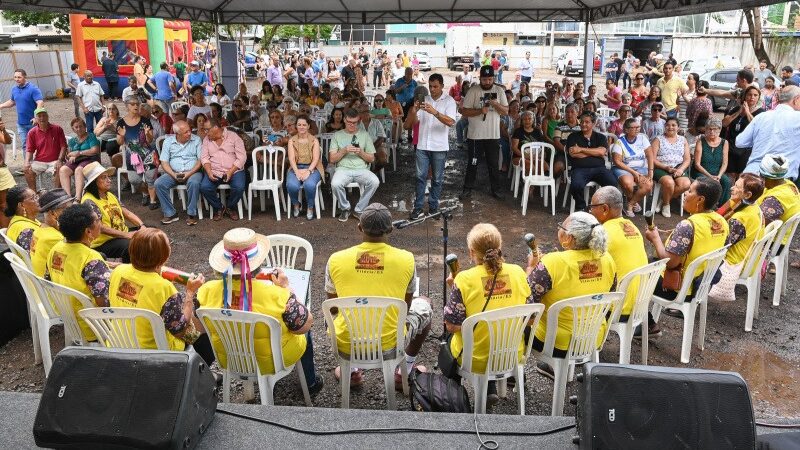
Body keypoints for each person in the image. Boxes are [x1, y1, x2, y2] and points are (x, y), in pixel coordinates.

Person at [199, 228, 323, 392]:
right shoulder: (277, 294)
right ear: (258, 263)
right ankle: (310, 383)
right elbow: (305, 325)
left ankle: (249, 392)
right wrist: (287, 288)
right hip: (271, 361)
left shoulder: (206, 291)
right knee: (304, 332)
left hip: (229, 359)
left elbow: (199, 329)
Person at [326, 203, 431, 387]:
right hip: (389, 345)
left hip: (346, 344)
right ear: (390, 229)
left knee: (335, 317)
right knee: (425, 303)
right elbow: (404, 308)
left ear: (359, 227)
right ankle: (402, 370)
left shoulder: (336, 259)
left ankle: (350, 371)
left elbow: (333, 307)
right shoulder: (406, 259)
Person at [442, 222, 531, 406]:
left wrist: (454, 289)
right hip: (512, 354)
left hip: (477, 359)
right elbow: (529, 318)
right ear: (500, 248)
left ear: (471, 252)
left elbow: (452, 325)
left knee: (448, 345)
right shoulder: (518, 272)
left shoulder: (464, 279)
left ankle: (454, 397)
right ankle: (490, 387)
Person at [526, 211, 616, 378]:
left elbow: (527, 305)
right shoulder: (607, 259)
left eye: (562, 227)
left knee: (514, 324)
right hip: (593, 337)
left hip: (556, 342)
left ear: (570, 238)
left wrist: (531, 268)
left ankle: (510, 376)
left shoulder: (553, 262)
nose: (559, 229)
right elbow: (610, 295)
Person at [108, 228, 216, 364]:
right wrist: (189, 293)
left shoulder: (118, 270)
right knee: (200, 332)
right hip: (153, 350)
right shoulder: (164, 288)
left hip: (118, 342)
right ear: (164, 257)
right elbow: (180, 330)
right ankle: (199, 372)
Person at [641, 177, 728, 334]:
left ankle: (646, 325)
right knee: (648, 262)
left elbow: (670, 263)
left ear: (700, 199)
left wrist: (655, 239)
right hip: (701, 285)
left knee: (633, 276)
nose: (685, 194)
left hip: (677, 289)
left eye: (689, 191)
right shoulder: (722, 222)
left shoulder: (688, 226)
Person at [46, 203, 111, 342]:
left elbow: (48, 278)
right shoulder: (91, 259)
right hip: (93, 326)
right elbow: (103, 302)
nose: (100, 223)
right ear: (88, 232)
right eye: (97, 220)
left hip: (69, 318)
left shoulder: (55, 249)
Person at [588, 186, 648, 320]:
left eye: (592, 207)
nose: (591, 211)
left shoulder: (601, 233)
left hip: (619, 308)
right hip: (641, 304)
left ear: (604, 209)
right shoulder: (632, 226)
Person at [405, 73, 456, 220]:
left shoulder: (449, 101)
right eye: (430, 86)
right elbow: (411, 124)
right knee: (420, 177)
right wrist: (414, 111)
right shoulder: (423, 100)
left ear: (442, 86)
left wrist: (435, 112)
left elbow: (451, 122)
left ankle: (434, 207)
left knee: (437, 179)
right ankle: (418, 207)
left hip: (439, 147)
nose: (432, 89)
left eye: (435, 86)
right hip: (422, 145)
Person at [709, 174, 765, 301]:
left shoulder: (741, 218)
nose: (731, 188)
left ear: (748, 195)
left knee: (693, 257)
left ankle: (687, 299)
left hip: (733, 262)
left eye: (737, 187)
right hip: (751, 259)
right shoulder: (755, 208)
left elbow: (720, 245)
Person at [459, 65, 509, 200]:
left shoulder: (499, 90)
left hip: (493, 135)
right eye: (484, 79)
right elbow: (464, 111)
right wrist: (480, 111)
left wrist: (495, 104)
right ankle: (467, 189)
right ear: (480, 78)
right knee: (473, 163)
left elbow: (506, 111)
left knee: (493, 164)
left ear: (493, 78)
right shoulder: (473, 91)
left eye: (490, 79)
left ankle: (496, 190)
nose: (487, 82)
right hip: (475, 136)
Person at [81, 162, 146, 263]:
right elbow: (101, 228)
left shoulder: (110, 195)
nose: (109, 180)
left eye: (108, 177)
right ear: (94, 182)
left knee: (151, 232)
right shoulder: (88, 200)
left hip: (120, 234)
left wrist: (142, 225)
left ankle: (148, 267)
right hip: (102, 242)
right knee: (130, 245)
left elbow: (127, 213)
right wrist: (127, 235)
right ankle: (129, 272)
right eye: (104, 178)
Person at [735, 86, 800, 181]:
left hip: (752, 175)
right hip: (779, 180)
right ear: (796, 99)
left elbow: (740, 142)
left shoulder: (761, 117)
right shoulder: (797, 118)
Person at [329, 109, 379, 222]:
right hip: (342, 169)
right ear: (344, 120)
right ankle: (345, 208)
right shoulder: (337, 135)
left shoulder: (364, 135)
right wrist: (344, 150)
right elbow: (332, 159)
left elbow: (371, 158)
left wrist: (360, 152)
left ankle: (359, 209)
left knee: (375, 181)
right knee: (335, 184)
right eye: (349, 122)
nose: (352, 125)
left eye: (354, 122)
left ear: (358, 121)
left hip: (361, 169)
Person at [564, 112, 618, 210]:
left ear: (593, 124)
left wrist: (581, 149)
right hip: (580, 169)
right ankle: (581, 207)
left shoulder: (600, 137)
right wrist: (594, 152)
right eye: (582, 122)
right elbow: (573, 153)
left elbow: (602, 152)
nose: (583, 124)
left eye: (587, 122)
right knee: (576, 186)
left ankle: (604, 207)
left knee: (612, 182)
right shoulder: (573, 136)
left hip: (599, 168)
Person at [155, 121, 203, 226]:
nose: (189, 133)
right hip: (174, 172)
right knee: (159, 183)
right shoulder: (168, 142)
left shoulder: (196, 140)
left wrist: (189, 173)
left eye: (189, 130)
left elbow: (200, 161)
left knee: (194, 183)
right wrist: (173, 174)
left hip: (193, 172)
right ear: (177, 134)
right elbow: (164, 162)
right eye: (186, 132)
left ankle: (191, 214)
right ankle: (170, 213)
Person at [200, 119, 247, 221]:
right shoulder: (206, 140)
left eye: (207, 130)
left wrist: (230, 172)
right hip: (215, 170)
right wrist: (209, 171)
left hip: (234, 170)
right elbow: (204, 158)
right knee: (205, 187)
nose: (205, 132)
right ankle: (219, 208)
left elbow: (242, 157)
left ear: (216, 128)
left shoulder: (233, 137)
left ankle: (230, 207)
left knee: (239, 187)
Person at [116, 98, 158, 208]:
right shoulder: (121, 122)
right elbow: (119, 142)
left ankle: (153, 201)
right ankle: (146, 193)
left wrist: (147, 133)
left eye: (137, 104)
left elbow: (150, 140)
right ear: (127, 106)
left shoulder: (145, 120)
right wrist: (122, 135)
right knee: (134, 180)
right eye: (132, 104)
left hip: (147, 154)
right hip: (132, 156)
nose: (135, 106)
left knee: (150, 179)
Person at [758, 155, 800, 257]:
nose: (760, 178)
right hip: (783, 239)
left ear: (767, 177)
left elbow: (759, 226)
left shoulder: (774, 200)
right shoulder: (789, 184)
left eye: (762, 175)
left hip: (773, 243)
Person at [611, 118, 653, 217]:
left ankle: (630, 204)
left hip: (641, 168)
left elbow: (650, 155)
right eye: (633, 127)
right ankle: (632, 202)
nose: (637, 129)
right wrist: (633, 172)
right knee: (628, 184)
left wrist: (650, 170)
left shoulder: (642, 138)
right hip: (624, 168)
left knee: (648, 185)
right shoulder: (620, 142)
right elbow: (617, 161)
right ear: (626, 130)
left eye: (638, 127)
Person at [651, 117, 691, 218]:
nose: (670, 127)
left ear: (678, 127)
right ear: (665, 126)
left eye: (673, 125)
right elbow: (652, 159)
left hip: (678, 167)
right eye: (668, 125)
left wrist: (681, 169)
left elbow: (687, 159)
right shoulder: (658, 139)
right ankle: (666, 205)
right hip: (661, 167)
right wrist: (665, 167)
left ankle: (664, 200)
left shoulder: (683, 140)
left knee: (686, 184)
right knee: (669, 183)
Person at [29, 189, 73, 277]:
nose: (72, 213)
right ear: (53, 213)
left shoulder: (40, 229)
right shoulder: (55, 238)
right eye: (67, 209)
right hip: (49, 286)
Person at [723, 86, 764, 182]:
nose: (752, 97)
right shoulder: (736, 109)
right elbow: (724, 123)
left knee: (742, 176)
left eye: (755, 95)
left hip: (747, 150)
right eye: (749, 94)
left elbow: (757, 127)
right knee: (730, 175)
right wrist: (739, 112)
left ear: (758, 97)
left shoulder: (761, 112)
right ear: (745, 96)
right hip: (732, 147)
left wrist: (748, 112)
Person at [286, 115, 323, 220]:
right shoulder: (291, 141)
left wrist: (308, 171)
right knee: (291, 185)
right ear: (296, 126)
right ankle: (296, 204)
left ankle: (310, 207)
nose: (301, 127)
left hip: (312, 167)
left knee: (309, 185)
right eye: (299, 125)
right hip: (296, 167)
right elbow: (292, 159)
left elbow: (316, 159)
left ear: (308, 126)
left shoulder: (314, 140)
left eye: (304, 125)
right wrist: (297, 172)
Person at [0, 70, 43, 153]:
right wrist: (1, 105)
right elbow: (12, 101)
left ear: (25, 77)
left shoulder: (33, 89)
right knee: (25, 146)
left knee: (39, 144)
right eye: (15, 77)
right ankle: (27, 164)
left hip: (33, 123)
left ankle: (41, 163)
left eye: (19, 77)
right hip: (21, 124)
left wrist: (36, 117)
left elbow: (40, 102)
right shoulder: (14, 89)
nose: (17, 79)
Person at [25, 108, 67, 192]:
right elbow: (29, 150)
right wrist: (26, 162)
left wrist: (60, 160)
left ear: (48, 117)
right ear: (36, 119)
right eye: (39, 116)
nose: (42, 118)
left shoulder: (57, 129)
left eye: (44, 115)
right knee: (27, 170)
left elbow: (63, 146)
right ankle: (33, 194)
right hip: (39, 161)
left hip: (55, 160)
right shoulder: (32, 132)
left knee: (60, 167)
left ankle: (56, 194)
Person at [692, 117, 730, 207]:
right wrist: (710, 176)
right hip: (701, 172)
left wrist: (719, 176)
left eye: (715, 129)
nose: (712, 132)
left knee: (726, 181)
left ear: (719, 130)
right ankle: (708, 207)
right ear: (706, 129)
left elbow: (725, 163)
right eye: (709, 129)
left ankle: (721, 207)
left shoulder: (724, 143)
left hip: (717, 173)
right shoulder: (701, 141)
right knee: (709, 183)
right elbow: (697, 164)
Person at [60, 118, 101, 198]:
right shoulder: (72, 140)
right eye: (76, 127)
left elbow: (95, 150)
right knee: (63, 170)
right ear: (73, 129)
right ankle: (67, 197)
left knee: (79, 169)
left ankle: (77, 197)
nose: (79, 129)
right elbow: (69, 154)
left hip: (90, 159)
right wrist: (71, 156)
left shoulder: (91, 136)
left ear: (85, 127)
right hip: (77, 161)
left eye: (81, 126)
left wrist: (79, 153)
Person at [4, 186, 40, 251]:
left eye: (37, 196)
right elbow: (34, 255)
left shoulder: (22, 220)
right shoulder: (26, 231)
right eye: (33, 198)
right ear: (21, 205)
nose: (38, 200)